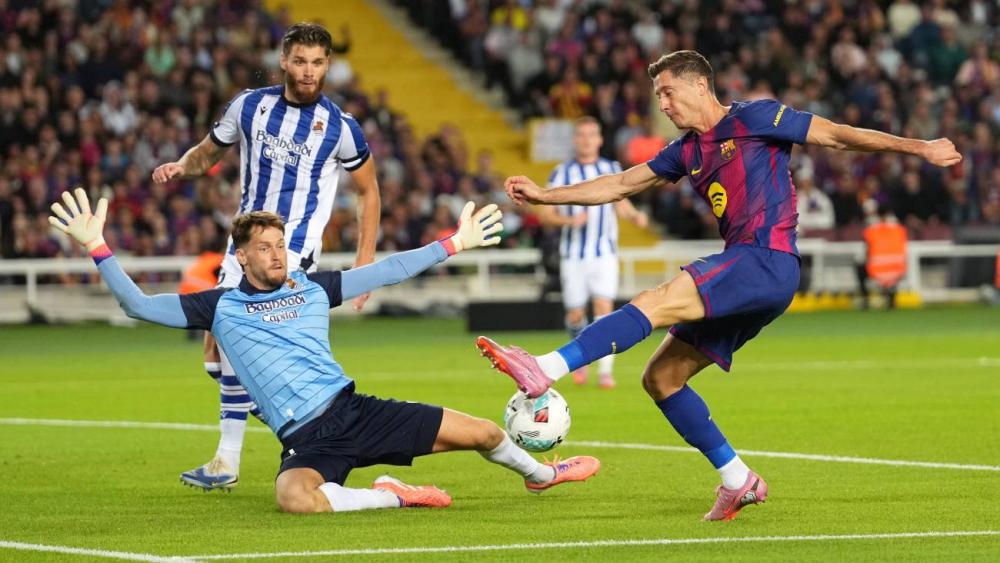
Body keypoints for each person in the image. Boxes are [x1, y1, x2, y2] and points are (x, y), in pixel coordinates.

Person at [476, 50, 961, 522]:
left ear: (699, 84)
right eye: (657, 96)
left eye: (667, 92)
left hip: (765, 259)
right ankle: (738, 480)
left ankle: (544, 367)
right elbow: (620, 184)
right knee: (661, 379)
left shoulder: (757, 116)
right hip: (749, 270)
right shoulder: (685, 150)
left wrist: (920, 147)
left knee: (655, 301)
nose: (662, 104)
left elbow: (834, 135)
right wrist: (545, 196)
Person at [49, 188, 601, 513]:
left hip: (355, 412)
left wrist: (453, 243)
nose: (276, 254)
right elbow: (138, 306)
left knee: (483, 432)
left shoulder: (314, 287)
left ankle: (542, 475)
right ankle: (393, 495)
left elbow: (386, 270)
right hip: (305, 439)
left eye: (280, 244)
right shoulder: (216, 306)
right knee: (293, 497)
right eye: (262, 247)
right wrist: (97, 247)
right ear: (241, 257)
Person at [151, 23, 382, 490]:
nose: (308, 71)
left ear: (328, 65)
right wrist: (182, 165)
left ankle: (238, 456)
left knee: (242, 354)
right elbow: (208, 153)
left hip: (289, 258)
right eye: (300, 61)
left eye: (317, 63)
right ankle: (293, 435)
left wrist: (365, 262)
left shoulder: (341, 128)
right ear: (283, 60)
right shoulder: (250, 106)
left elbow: (369, 193)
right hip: (241, 251)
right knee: (216, 359)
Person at [534, 116, 648, 389]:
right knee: (575, 315)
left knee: (604, 309)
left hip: (604, 253)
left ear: (599, 139)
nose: (586, 140)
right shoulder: (561, 172)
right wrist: (569, 221)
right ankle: (581, 361)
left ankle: (605, 372)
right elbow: (545, 214)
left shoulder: (610, 168)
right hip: (573, 255)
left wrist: (634, 216)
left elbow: (620, 203)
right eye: (581, 135)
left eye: (591, 135)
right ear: (575, 140)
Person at [859, 204, 908, 310]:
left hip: (876, 269)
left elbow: (867, 250)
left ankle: (865, 300)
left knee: (860, 268)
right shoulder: (899, 229)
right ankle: (891, 299)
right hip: (897, 269)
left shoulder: (871, 229)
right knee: (896, 270)